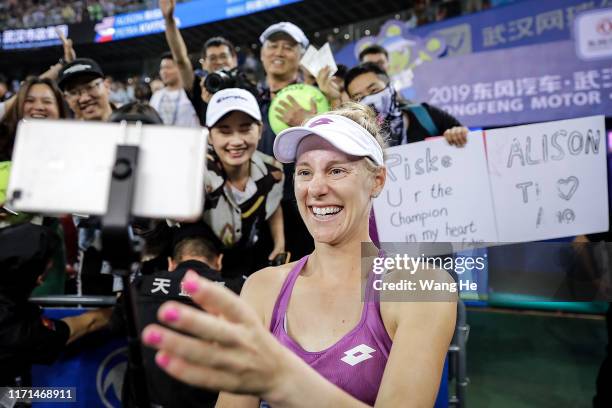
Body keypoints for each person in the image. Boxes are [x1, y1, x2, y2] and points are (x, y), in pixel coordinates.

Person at [141, 103, 457, 406]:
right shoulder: (263, 287)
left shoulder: (423, 287)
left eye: (336, 171)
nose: (315, 188)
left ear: (377, 181)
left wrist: (285, 382)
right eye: (304, 172)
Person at [110, 224, 232, 408]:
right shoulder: (240, 289)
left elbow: (115, 326)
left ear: (171, 263)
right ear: (219, 261)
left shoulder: (141, 285)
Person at [0, 223, 111, 387]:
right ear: (39, 278)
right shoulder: (17, 329)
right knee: (60, 396)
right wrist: (128, 307)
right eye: (48, 261)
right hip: (7, 393)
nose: (52, 263)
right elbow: (87, 324)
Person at [202, 88, 285, 280]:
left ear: (260, 130)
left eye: (245, 128)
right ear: (209, 136)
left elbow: (274, 204)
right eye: (224, 131)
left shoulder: (272, 170)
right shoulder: (195, 173)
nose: (236, 141)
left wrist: (280, 242)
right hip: (203, 269)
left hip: (249, 261)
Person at [345, 62, 468, 147]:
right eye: (359, 98)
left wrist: (458, 134)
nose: (369, 100)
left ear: (390, 87)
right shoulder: (356, 138)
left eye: (374, 90)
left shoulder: (425, 114)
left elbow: (468, 139)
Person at [160, 0, 238, 124]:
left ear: (234, 60)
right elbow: (181, 60)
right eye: (212, 58)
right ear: (204, 63)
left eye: (223, 56)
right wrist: (169, 21)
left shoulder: (246, 87)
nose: (218, 61)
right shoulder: (199, 87)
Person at [0, 77, 68, 161]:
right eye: (30, 100)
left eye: (47, 101)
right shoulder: (2, 144)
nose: (39, 107)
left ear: (59, 109)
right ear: (18, 106)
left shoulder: (74, 145)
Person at [149, 52, 199, 127]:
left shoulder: (191, 94)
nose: (164, 71)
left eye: (168, 67)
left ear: (180, 68)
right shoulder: (156, 96)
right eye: (162, 68)